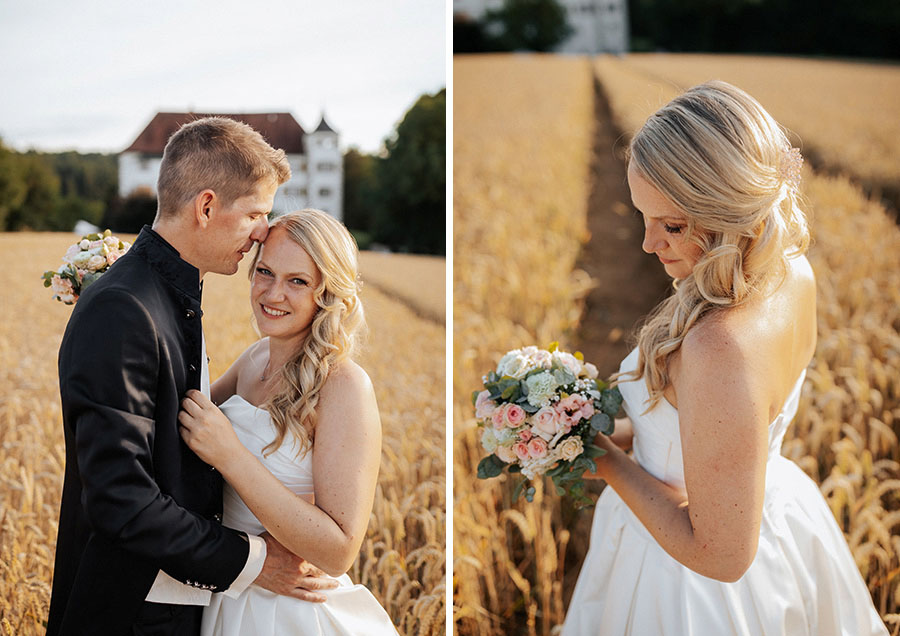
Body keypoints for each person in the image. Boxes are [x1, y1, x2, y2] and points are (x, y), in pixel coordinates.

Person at [562, 81, 888, 635]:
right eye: (643, 216)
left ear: (729, 211)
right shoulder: (791, 271)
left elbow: (719, 556)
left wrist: (606, 461)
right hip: (778, 523)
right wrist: (608, 432)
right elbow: (725, 429)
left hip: (691, 588)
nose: (648, 244)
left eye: (672, 225)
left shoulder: (718, 345)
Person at [48, 117, 338, 636]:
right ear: (206, 207)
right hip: (132, 615)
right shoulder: (125, 308)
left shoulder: (171, 295)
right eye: (255, 212)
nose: (262, 232)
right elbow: (121, 498)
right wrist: (253, 562)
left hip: (194, 608)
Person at [177, 209, 399, 635]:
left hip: (290, 612)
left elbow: (338, 552)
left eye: (297, 281)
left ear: (327, 293)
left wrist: (232, 457)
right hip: (229, 589)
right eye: (265, 271)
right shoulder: (255, 358)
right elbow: (184, 418)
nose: (273, 293)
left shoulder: (343, 385)